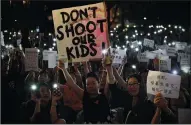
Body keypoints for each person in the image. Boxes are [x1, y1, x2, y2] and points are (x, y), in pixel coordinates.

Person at [105, 57, 176, 124]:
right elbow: (113, 85)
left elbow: (170, 119)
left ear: (140, 85)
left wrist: (163, 108)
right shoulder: (125, 98)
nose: (132, 87)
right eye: (130, 84)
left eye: (135, 84)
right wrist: (109, 69)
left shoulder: (149, 100)